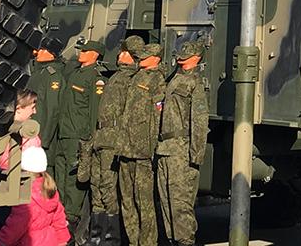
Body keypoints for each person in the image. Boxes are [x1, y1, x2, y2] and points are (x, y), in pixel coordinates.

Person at [82, 36, 141, 246]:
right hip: (101, 138)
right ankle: (96, 235)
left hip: (113, 140)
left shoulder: (133, 80)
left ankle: (111, 238)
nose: (119, 54)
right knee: (96, 186)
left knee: (108, 188)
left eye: (125, 52)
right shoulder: (117, 77)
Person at [157, 37, 210, 246]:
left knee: (180, 204)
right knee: (166, 202)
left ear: (196, 58)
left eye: (187, 55)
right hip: (165, 148)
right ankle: (173, 240)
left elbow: (199, 120)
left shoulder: (194, 83)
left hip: (181, 150)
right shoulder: (174, 79)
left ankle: (185, 241)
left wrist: (195, 154)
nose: (182, 59)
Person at [54, 41, 110, 232]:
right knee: (60, 175)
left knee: (73, 178)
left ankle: (71, 216)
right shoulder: (75, 73)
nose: (82, 53)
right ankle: (60, 212)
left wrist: (90, 138)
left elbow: (95, 111)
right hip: (64, 133)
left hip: (78, 135)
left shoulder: (95, 79)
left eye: (85, 51)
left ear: (95, 54)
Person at [117, 41, 165, 246]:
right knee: (127, 202)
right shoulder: (135, 76)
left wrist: (152, 149)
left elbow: (157, 119)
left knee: (144, 203)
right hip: (125, 148)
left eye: (145, 56)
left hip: (143, 152)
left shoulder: (158, 81)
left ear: (156, 58)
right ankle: (133, 240)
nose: (140, 59)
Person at [0, 144, 71, 246]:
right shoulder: (49, 188)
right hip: (49, 241)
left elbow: (14, 228)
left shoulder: (26, 196)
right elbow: (59, 218)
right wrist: (62, 240)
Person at [0, 89, 40, 241]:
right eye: (32, 107)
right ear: (19, 108)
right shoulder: (27, 134)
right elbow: (34, 168)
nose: (34, 111)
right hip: (15, 194)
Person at [25, 45, 65, 152]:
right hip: (30, 129)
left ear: (52, 55)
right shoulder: (38, 73)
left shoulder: (53, 76)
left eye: (42, 49)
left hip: (41, 133)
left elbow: (53, 109)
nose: (38, 52)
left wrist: (45, 140)